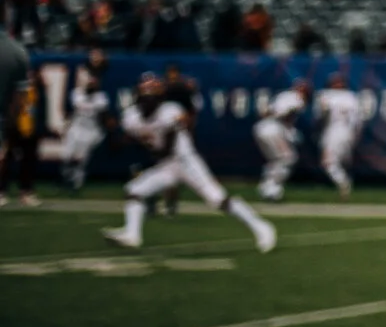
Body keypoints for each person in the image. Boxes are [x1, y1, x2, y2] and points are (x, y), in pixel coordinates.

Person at [102, 72, 276, 252]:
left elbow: (165, 149)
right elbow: (126, 140)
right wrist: (115, 134)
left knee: (218, 200)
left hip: (186, 161)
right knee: (134, 191)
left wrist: (142, 142)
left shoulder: (170, 112)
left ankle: (261, 227)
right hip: (168, 165)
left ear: (159, 99)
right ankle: (132, 234)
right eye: (144, 97)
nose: (147, 102)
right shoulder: (131, 117)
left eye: (151, 97)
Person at [59, 51, 113, 194]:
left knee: (81, 159)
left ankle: (76, 183)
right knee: (67, 155)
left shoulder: (101, 98)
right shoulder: (76, 94)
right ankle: (66, 179)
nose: (91, 83)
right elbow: (70, 112)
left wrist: (106, 127)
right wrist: (66, 125)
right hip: (76, 127)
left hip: (91, 130)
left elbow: (104, 118)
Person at [254, 77, 311, 202]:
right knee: (288, 158)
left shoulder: (283, 95)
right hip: (273, 129)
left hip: (261, 127)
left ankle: (267, 186)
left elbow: (266, 111)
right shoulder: (297, 99)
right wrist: (290, 132)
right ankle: (270, 189)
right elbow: (286, 114)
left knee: (276, 160)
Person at [0, 26, 34, 206]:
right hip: (11, 116)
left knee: (14, 155)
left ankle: (22, 191)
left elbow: (23, 95)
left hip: (17, 119)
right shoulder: (17, 54)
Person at [315, 70, 363, 196]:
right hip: (347, 133)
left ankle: (343, 182)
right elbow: (358, 122)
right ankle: (344, 182)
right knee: (342, 162)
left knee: (328, 163)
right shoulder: (352, 97)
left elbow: (319, 117)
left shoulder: (325, 95)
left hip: (334, 132)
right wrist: (355, 136)